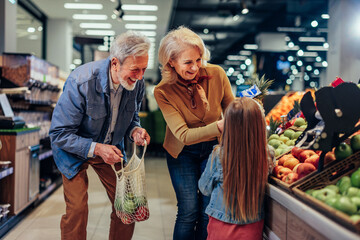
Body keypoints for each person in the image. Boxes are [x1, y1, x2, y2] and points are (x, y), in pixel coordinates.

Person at [49, 31, 151, 240]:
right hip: (73, 150)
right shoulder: (82, 81)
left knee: (128, 205)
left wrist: (135, 131)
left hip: (111, 149)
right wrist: (96, 148)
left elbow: (131, 118)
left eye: (144, 69)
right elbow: (59, 133)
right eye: (135, 69)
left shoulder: (136, 84)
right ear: (115, 63)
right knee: (77, 209)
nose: (140, 76)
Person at [154, 26, 235, 240]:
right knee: (188, 211)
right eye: (188, 62)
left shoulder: (216, 74)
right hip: (182, 153)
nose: (195, 67)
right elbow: (183, 134)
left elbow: (231, 108)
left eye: (198, 60)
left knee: (208, 210)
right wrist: (219, 125)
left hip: (213, 150)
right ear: (171, 61)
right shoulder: (163, 90)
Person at [198, 97, 275, 240]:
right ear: (259, 125)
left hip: (221, 225)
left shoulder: (218, 155)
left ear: (228, 125)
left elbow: (204, 188)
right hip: (252, 226)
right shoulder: (267, 153)